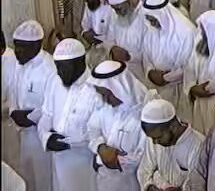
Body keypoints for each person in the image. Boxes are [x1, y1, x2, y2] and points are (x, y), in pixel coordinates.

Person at [38, 39, 102, 191]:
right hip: (58, 159)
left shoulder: (97, 88)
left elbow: (102, 132)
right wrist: (46, 137)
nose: (59, 72)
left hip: (84, 161)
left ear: (80, 63)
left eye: (64, 67)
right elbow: (46, 116)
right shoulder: (55, 81)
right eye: (57, 67)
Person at [3, 21, 56, 190]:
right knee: (28, 178)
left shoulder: (50, 68)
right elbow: (13, 92)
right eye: (16, 46)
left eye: (22, 47)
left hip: (42, 135)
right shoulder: (20, 64)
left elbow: (54, 104)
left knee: (44, 179)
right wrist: (13, 111)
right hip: (23, 134)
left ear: (36, 45)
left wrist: (30, 117)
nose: (17, 51)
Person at [86, 60, 153, 190]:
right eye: (102, 95)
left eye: (108, 94)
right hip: (105, 181)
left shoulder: (146, 112)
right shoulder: (105, 107)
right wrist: (100, 147)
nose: (105, 99)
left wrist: (107, 158)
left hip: (132, 182)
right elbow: (92, 129)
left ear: (120, 88)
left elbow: (147, 156)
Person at [143, 0, 196, 114]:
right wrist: (150, 72)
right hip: (155, 86)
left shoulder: (186, 32)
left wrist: (165, 78)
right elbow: (146, 56)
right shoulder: (151, 30)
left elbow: (189, 66)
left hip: (178, 88)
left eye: (154, 20)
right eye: (149, 20)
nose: (152, 24)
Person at [138, 98, 205, 190]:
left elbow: (199, 185)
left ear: (173, 127)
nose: (154, 142)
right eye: (152, 138)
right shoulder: (154, 139)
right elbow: (144, 170)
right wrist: (150, 187)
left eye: (158, 137)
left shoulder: (198, 145)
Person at [74, 0, 114, 67]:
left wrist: (99, 40)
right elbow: (85, 24)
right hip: (95, 49)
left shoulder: (111, 6)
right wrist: (85, 33)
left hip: (111, 51)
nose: (85, 0)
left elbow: (115, 34)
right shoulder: (90, 5)